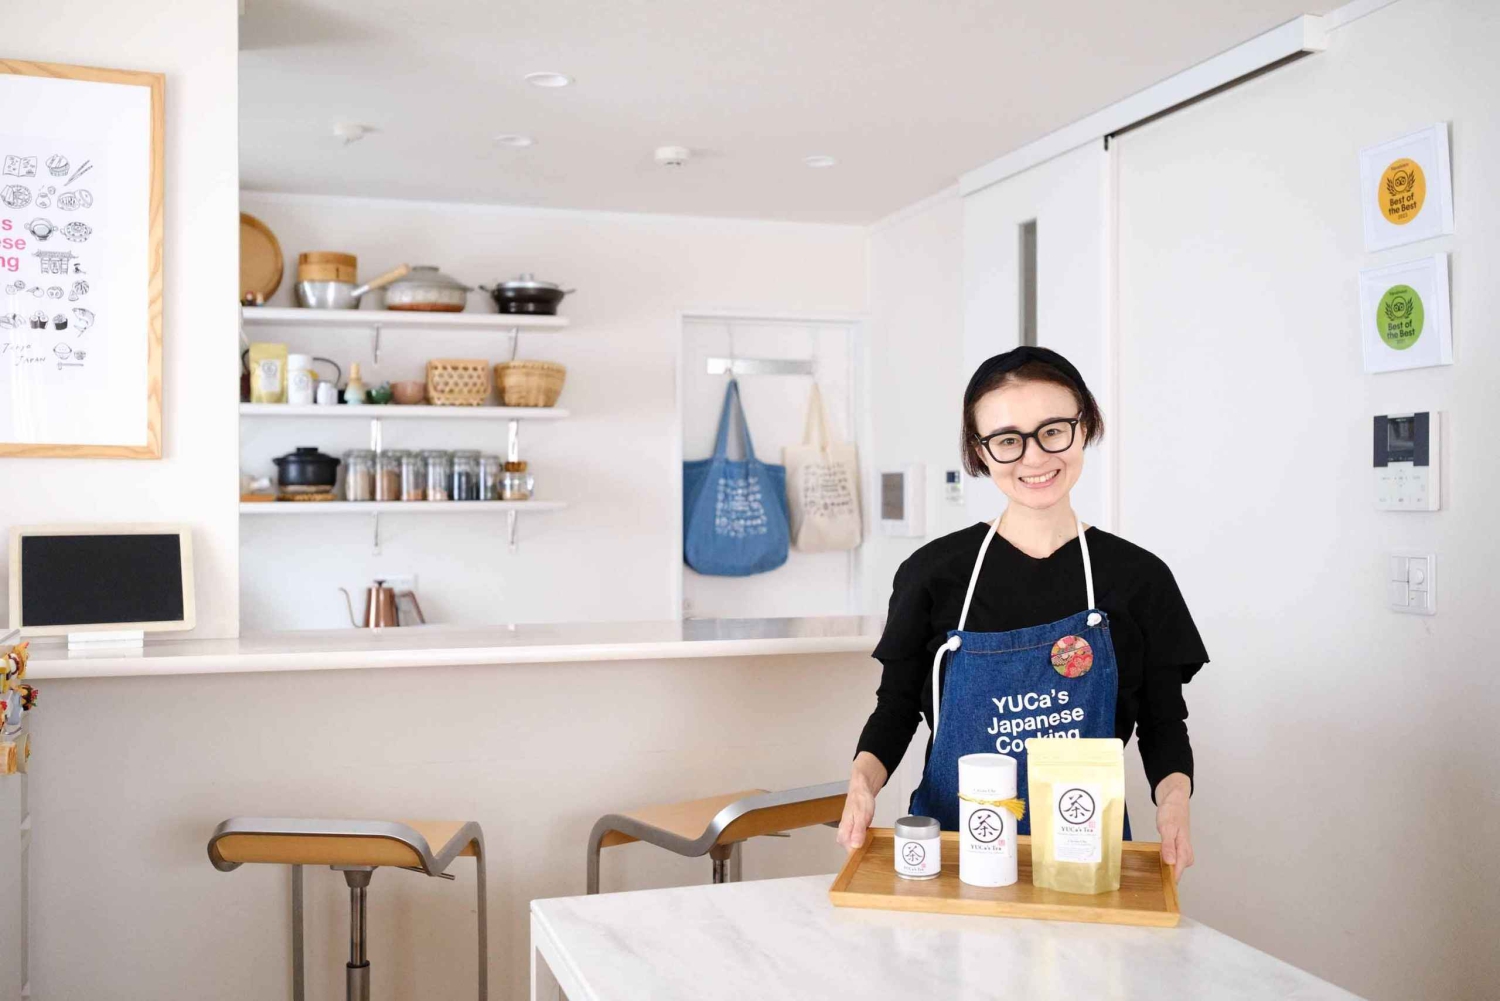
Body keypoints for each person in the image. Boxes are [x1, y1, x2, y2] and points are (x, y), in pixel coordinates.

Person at [836, 346, 1207, 880]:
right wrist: (861, 785)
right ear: (980, 452)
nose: (1034, 458)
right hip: (952, 853)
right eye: (1008, 441)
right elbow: (897, 708)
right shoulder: (933, 574)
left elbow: (1162, 721)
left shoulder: (1139, 578)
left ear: (1085, 427)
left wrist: (1173, 804)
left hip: (1086, 857)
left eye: (1053, 430)